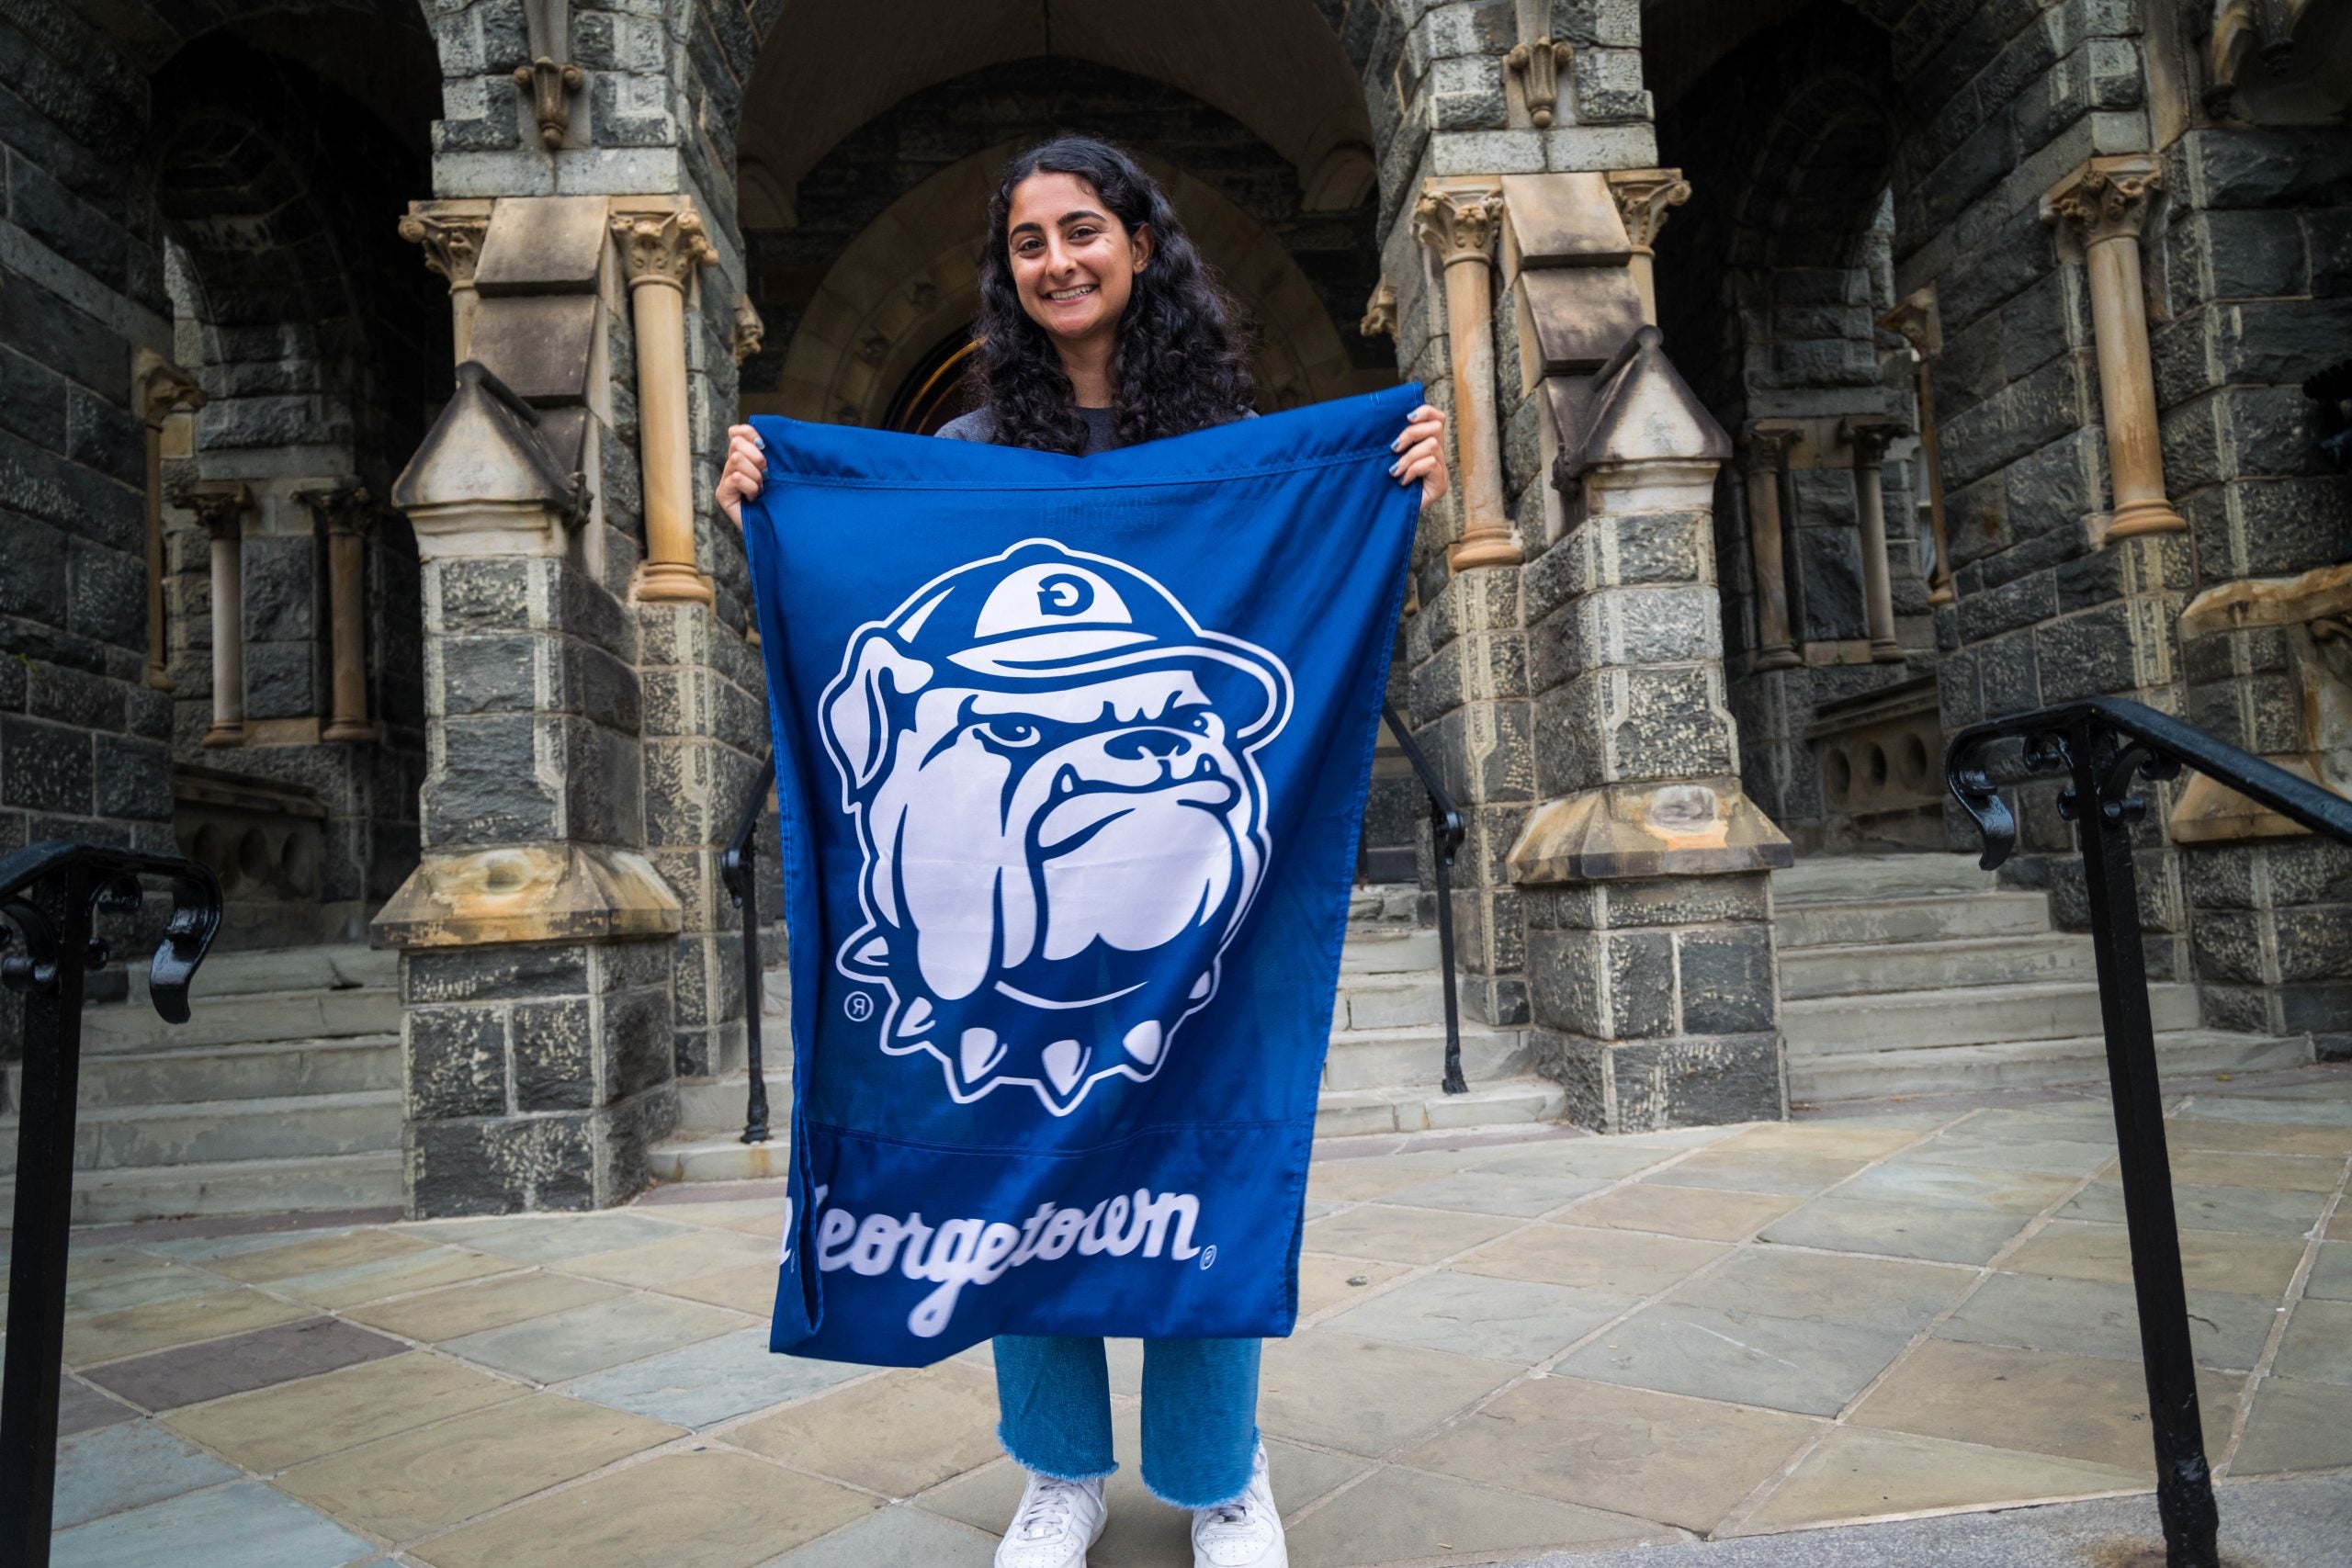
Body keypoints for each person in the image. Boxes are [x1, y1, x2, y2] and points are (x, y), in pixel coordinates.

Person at [718, 135, 1448, 1568]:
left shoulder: (1230, 437)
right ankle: (1059, 1475)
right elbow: (858, 596)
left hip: (1191, 925)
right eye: (1028, 244)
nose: (1057, 261)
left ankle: (1218, 1476)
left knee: (1205, 1158)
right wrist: (773, 490)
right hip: (999, 950)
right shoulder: (967, 458)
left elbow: (1305, 597)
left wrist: (1399, 473)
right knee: (1015, 1166)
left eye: (1082, 230)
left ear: (1139, 243)